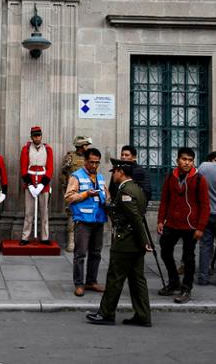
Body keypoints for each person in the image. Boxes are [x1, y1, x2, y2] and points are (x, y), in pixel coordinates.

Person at [86, 159, 151, 327]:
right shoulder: (137, 188)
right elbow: (125, 212)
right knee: (137, 280)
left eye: (114, 171)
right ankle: (143, 315)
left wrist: (145, 241)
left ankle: (106, 313)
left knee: (115, 278)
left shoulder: (126, 191)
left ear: (121, 172)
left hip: (126, 242)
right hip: (135, 242)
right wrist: (109, 201)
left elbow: (135, 218)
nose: (113, 175)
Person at [156, 147, 210, 304]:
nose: (187, 163)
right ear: (177, 160)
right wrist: (160, 220)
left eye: (190, 160)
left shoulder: (199, 179)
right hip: (172, 223)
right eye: (184, 159)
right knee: (165, 251)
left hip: (190, 225)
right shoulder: (170, 177)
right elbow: (164, 200)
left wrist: (200, 227)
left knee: (188, 258)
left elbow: (205, 205)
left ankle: (186, 289)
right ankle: (174, 282)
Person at [65, 147, 109, 296]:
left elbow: (106, 195)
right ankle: (79, 284)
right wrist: (85, 194)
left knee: (96, 253)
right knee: (80, 253)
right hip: (83, 221)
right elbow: (68, 197)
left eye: (97, 162)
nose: (94, 165)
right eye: (91, 162)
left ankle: (91, 281)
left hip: (98, 219)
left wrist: (107, 199)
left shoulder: (100, 178)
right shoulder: (76, 176)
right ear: (85, 161)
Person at [20, 125, 54, 245]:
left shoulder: (48, 149)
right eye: (35, 136)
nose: (37, 138)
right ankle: (25, 237)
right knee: (28, 212)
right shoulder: (26, 149)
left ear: (41, 136)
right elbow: (23, 168)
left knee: (44, 212)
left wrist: (42, 185)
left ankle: (45, 237)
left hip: (43, 184)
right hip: (30, 182)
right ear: (31, 137)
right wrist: (29, 184)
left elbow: (50, 168)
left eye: (38, 135)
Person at [60, 136, 92, 252]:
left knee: (85, 215)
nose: (87, 147)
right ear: (80, 146)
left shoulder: (89, 158)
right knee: (72, 215)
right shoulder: (70, 157)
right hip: (73, 191)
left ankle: (83, 242)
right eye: (85, 145)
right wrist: (66, 188)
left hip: (86, 191)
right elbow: (63, 174)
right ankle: (71, 241)